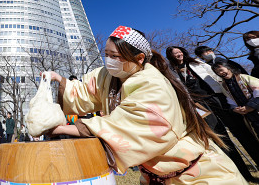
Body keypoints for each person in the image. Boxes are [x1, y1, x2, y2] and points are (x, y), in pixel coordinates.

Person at [48, 26, 246, 184]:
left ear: (139, 58)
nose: (108, 60)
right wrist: (62, 82)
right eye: (106, 54)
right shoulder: (107, 75)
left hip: (196, 175)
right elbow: (85, 93)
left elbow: (132, 125)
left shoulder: (153, 83)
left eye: (115, 56)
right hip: (154, 175)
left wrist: (61, 128)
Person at [166, 46, 254, 180]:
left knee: (241, 131)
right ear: (170, 56)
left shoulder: (196, 62)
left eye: (179, 51)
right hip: (199, 105)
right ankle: (242, 174)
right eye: (174, 53)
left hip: (217, 98)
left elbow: (213, 74)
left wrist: (226, 89)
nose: (178, 54)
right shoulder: (172, 71)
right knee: (220, 137)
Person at [211, 60, 259, 164]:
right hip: (250, 117)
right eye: (217, 72)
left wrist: (251, 106)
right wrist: (235, 109)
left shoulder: (244, 77)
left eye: (221, 70)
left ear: (228, 67)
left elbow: (258, 91)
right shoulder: (224, 86)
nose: (220, 73)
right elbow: (230, 101)